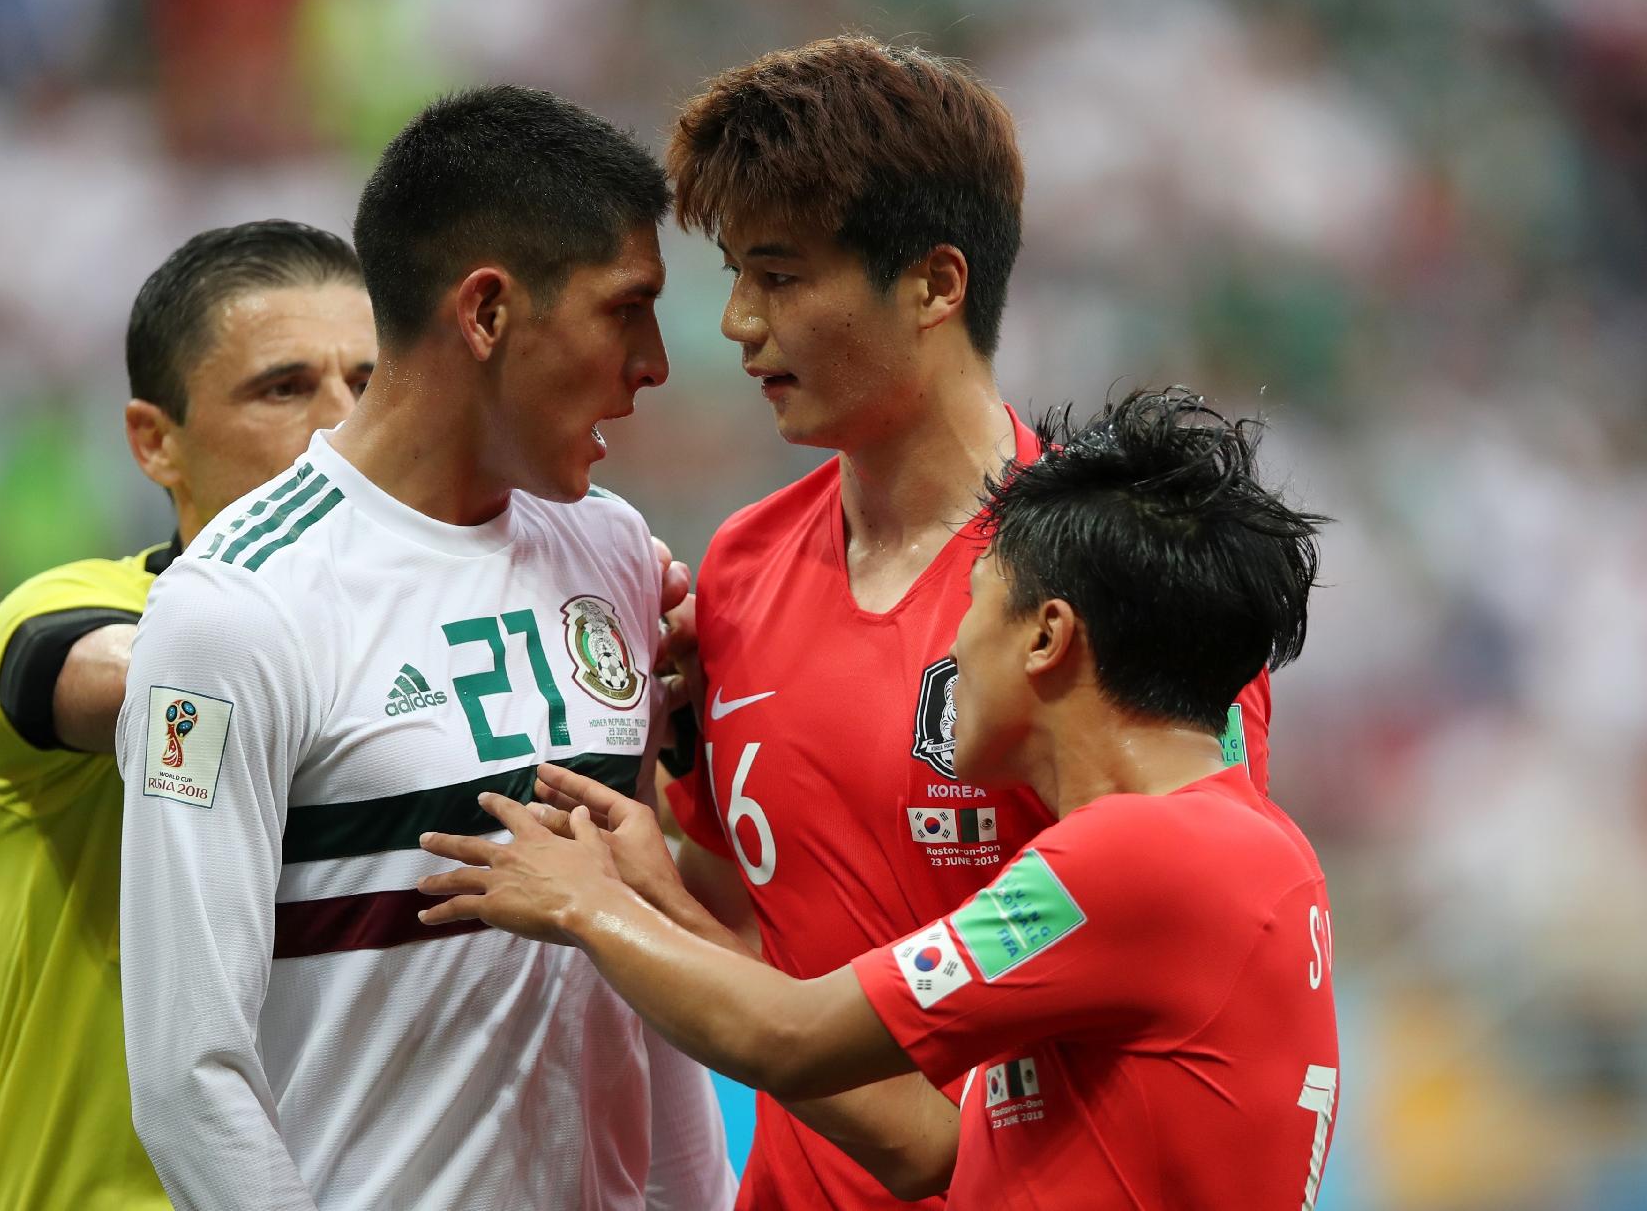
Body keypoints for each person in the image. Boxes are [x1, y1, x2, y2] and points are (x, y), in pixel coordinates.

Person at [420, 389, 1339, 1210]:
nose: (954, 642)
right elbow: (925, 1145)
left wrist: (585, 901)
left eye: (978, 601)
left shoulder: (1133, 860)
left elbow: (791, 1036)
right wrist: (659, 898)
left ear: (1048, 636)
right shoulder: (1242, 850)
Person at [655, 37, 1276, 1206]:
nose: (737, 322)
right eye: (737, 273)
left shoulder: (1125, 589)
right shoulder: (735, 569)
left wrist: (609, 895)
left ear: (937, 284)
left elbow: (1207, 943)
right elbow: (733, 901)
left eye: (781, 277)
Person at [114, 86, 735, 1211]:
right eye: (624, 309)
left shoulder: (613, 554)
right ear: (487, 312)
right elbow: (185, 1074)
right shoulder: (234, 609)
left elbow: (647, 967)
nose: (654, 362)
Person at [0, 219, 378, 1211]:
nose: (342, 425)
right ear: (157, 441)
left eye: (369, 384)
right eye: (286, 387)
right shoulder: (74, 609)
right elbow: (115, 679)